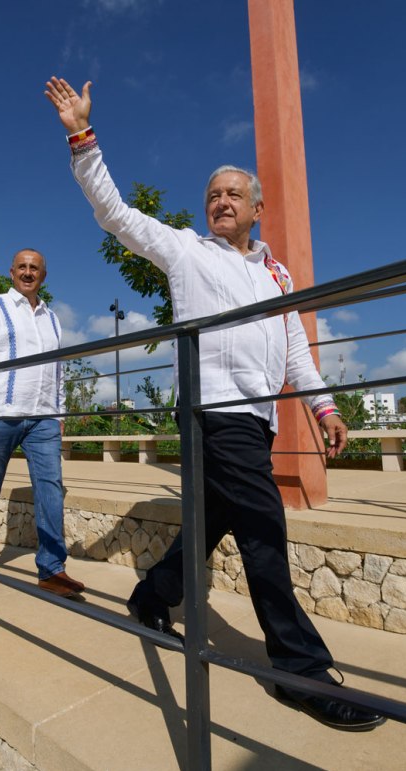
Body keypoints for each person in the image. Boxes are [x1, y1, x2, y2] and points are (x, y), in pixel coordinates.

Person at [45, 77, 383, 731]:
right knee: (263, 530)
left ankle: (151, 594)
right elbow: (115, 211)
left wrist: (323, 408)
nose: (221, 201)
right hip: (212, 412)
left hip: (255, 420)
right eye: (212, 195)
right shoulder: (184, 251)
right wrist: (82, 137)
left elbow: (294, 352)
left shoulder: (273, 275)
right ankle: (299, 671)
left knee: (214, 522)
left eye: (233, 194)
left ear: (257, 208)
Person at [0, 249, 84, 598]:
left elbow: (58, 368)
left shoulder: (53, 318)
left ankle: (52, 569)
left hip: (43, 417)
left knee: (51, 488)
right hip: (1, 412)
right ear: (12, 272)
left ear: (43, 275)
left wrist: (59, 414)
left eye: (35, 268)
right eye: (22, 267)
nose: (28, 273)